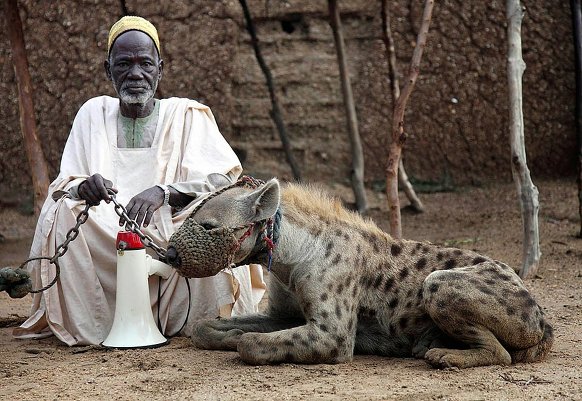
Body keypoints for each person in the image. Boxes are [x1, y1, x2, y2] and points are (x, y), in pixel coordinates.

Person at [13, 16, 266, 346]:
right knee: (62, 214)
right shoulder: (93, 113)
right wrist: (83, 187)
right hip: (104, 228)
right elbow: (65, 183)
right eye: (124, 64)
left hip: (172, 225)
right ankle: (97, 322)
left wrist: (164, 192)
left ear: (160, 69)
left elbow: (225, 181)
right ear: (108, 70)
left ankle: (191, 319)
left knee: (212, 224)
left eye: (145, 63)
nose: (135, 74)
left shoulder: (187, 114)